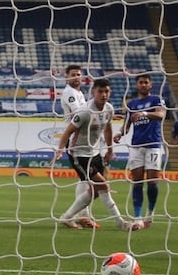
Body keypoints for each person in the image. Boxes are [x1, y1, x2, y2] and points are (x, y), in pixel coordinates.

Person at [53, 78, 140, 232]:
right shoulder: (85, 111)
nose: (103, 95)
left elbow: (107, 129)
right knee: (103, 186)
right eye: (100, 91)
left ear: (110, 92)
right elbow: (68, 131)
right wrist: (60, 150)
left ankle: (67, 217)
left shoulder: (109, 109)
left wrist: (110, 150)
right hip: (78, 154)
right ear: (94, 92)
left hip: (94, 152)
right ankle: (120, 223)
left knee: (95, 191)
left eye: (106, 91)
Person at [113, 73, 166, 227]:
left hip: (153, 145)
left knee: (152, 182)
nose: (143, 85)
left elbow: (161, 114)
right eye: (141, 82)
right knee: (137, 182)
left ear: (150, 85)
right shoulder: (132, 104)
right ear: (137, 85)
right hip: (136, 146)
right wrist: (119, 134)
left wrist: (145, 113)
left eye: (146, 82)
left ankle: (150, 213)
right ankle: (138, 217)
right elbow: (127, 125)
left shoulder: (156, 99)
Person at [57, 65, 98, 229]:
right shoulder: (69, 93)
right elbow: (77, 113)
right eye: (73, 75)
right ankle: (77, 216)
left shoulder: (80, 93)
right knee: (86, 178)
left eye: (79, 75)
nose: (76, 77)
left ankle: (83, 215)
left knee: (85, 179)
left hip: (84, 140)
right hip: (75, 140)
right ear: (66, 77)